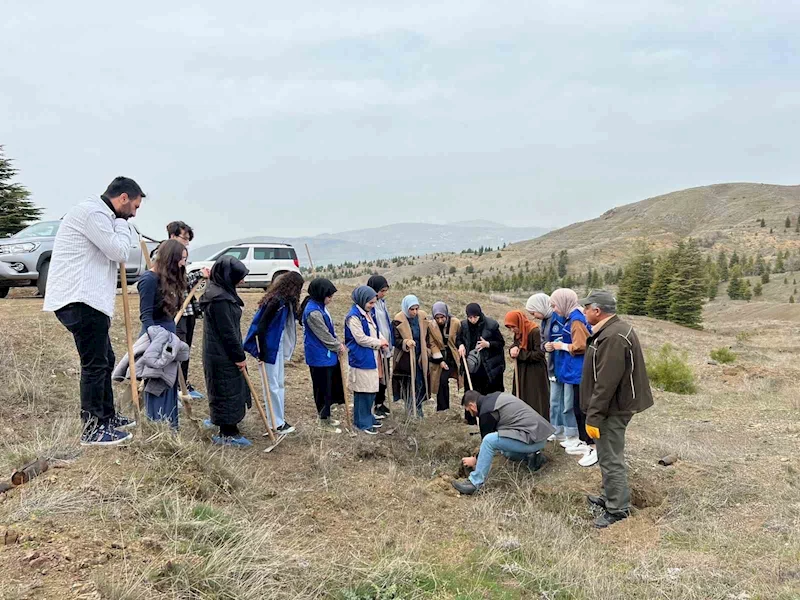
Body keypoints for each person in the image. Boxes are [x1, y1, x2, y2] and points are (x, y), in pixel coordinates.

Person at [43, 176, 145, 446]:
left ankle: (107, 417)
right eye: (134, 206)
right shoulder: (93, 214)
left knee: (105, 359)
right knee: (95, 364)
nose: (134, 213)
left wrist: (119, 223)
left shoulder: (100, 215)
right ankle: (93, 429)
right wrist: (122, 224)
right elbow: (119, 251)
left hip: (89, 300)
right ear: (123, 198)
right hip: (79, 299)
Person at [578, 290, 654, 528]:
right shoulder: (612, 331)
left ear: (597, 311)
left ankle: (618, 509)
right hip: (611, 407)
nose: (584, 311)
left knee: (611, 458)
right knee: (606, 455)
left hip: (612, 409)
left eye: (587, 307)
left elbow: (606, 383)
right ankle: (610, 495)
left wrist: (593, 415)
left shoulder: (613, 337)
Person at [452, 390, 555, 495]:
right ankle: (532, 458)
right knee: (504, 449)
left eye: (469, 410)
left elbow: (486, 442)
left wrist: (475, 460)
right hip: (539, 436)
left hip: (531, 438)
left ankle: (474, 483)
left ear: (472, 406)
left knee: (489, 441)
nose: (471, 414)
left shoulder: (487, 412)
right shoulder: (494, 398)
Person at [199, 255, 252, 446]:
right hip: (222, 354)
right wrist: (239, 356)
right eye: (240, 277)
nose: (243, 281)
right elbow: (227, 333)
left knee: (223, 388)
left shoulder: (218, 290)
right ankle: (228, 433)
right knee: (226, 389)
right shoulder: (219, 300)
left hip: (219, 352)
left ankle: (220, 421)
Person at [243, 271, 304, 435]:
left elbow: (298, 317)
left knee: (278, 383)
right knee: (272, 385)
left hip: (276, 346)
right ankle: (275, 423)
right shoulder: (276, 302)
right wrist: (261, 352)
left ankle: (279, 420)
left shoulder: (285, 300)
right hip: (268, 348)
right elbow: (261, 328)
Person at [136, 239, 188, 428]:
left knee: (170, 379)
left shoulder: (170, 279)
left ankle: (170, 424)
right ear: (171, 258)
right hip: (155, 337)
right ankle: (157, 425)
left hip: (169, 334)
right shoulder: (149, 280)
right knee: (157, 380)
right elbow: (146, 317)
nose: (183, 263)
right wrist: (156, 343)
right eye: (181, 259)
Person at [546, 289, 592, 460]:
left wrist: (562, 347)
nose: (554, 309)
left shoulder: (576, 320)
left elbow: (581, 345)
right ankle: (581, 439)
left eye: (555, 305)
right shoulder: (571, 318)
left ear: (564, 302)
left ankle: (588, 443)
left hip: (578, 371)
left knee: (581, 408)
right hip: (573, 371)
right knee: (577, 406)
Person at [166, 221, 209, 400]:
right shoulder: (165, 256)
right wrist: (198, 274)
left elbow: (184, 283)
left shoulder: (181, 256)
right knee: (177, 349)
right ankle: (174, 386)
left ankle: (184, 384)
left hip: (188, 311)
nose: (187, 242)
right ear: (173, 236)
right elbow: (175, 283)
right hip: (176, 313)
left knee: (185, 350)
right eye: (184, 238)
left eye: (188, 239)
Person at [300, 278, 345, 432]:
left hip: (326, 355)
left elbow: (330, 329)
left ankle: (327, 416)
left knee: (329, 387)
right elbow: (324, 335)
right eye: (329, 296)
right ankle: (324, 420)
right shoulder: (313, 312)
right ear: (321, 294)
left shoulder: (321, 307)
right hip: (319, 356)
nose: (331, 299)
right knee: (322, 388)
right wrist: (338, 345)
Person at [344, 286, 389, 434]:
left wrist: (383, 340)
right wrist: (379, 343)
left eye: (373, 303)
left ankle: (368, 417)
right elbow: (360, 338)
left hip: (371, 356)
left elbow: (376, 331)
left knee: (371, 389)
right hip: (361, 357)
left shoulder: (368, 314)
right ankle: (361, 422)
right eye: (370, 303)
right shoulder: (354, 317)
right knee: (363, 390)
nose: (372, 305)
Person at [456, 303, 505, 424]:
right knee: (471, 393)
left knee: (488, 395)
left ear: (480, 315)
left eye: (475, 317)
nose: (472, 320)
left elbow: (500, 343)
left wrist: (487, 344)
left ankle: (489, 420)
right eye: (470, 317)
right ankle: (471, 420)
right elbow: (459, 339)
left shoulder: (491, 325)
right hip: (472, 367)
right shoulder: (463, 325)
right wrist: (461, 345)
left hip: (488, 367)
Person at [504, 310, 549, 419]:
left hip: (535, 372)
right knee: (522, 397)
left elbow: (539, 353)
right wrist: (512, 349)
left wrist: (520, 354)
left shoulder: (534, 331)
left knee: (534, 398)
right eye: (510, 328)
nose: (512, 330)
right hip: (522, 370)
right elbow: (516, 345)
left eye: (513, 327)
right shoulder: (519, 333)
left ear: (519, 322)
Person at [392, 295, 430, 418]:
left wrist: (427, 349)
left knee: (419, 383)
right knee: (408, 383)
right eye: (411, 309)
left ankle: (418, 409)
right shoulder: (398, 319)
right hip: (405, 358)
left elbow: (428, 335)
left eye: (416, 309)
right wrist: (405, 342)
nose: (414, 312)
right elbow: (395, 340)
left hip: (420, 356)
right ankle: (410, 411)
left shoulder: (422, 317)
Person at [367, 274, 393, 417]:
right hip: (377, 347)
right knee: (377, 376)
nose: (383, 293)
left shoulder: (382, 303)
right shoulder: (370, 305)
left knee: (385, 377)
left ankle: (380, 403)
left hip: (386, 346)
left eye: (385, 291)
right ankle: (374, 404)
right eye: (381, 290)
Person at [428, 302, 462, 411]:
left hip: (454, 356)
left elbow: (460, 338)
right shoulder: (431, 325)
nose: (440, 320)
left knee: (461, 378)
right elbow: (432, 343)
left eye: (442, 317)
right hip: (440, 356)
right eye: (437, 318)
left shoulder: (455, 323)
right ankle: (443, 408)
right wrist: (440, 360)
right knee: (441, 380)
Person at [525, 293, 556, 383]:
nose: (534, 316)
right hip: (552, 364)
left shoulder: (558, 318)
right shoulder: (544, 321)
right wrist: (545, 345)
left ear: (540, 307)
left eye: (534, 313)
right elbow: (543, 340)